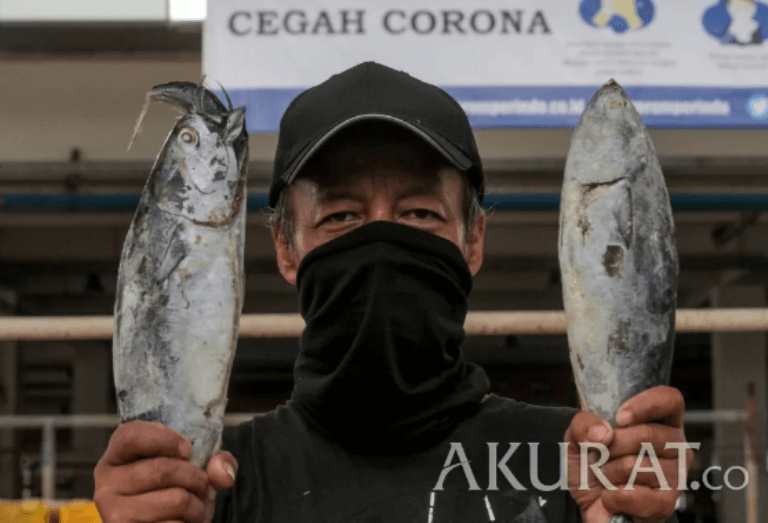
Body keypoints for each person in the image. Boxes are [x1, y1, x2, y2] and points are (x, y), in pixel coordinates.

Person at [93, 61, 691, 523]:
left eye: (421, 213)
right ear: (285, 248)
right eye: (342, 217)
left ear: (474, 238)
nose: (381, 236)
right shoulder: (212, 486)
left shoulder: (580, 462)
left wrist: (645, 516)